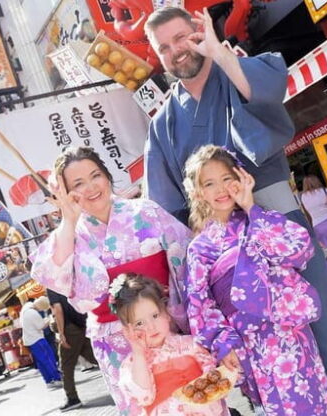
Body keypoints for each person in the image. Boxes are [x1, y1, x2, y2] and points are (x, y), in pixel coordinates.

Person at [143, 7, 327, 415]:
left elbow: (272, 83)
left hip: (278, 229)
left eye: (182, 38)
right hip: (225, 263)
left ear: (199, 32)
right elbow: (166, 209)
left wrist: (222, 54)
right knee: (262, 372)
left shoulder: (234, 70)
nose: (176, 51)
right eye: (164, 47)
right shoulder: (163, 124)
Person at [30, 147, 192, 416]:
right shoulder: (72, 234)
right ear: (65, 193)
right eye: (78, 184)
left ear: (107, 176)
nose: (91, 187)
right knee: (141, 408)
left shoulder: (145, 212)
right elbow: (52, 275)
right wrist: (68, 221)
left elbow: (187, 261)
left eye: (96, 175)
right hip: (115, 343)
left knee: (189, 399)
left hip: (163, 329)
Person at [182, 146, 327, 415]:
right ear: (198, 193)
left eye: (227, 178)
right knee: (276, 406)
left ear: (241, 178)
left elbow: (300, 250)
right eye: (209, 183)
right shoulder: (200, 248)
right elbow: (199, 305)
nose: (221, 189)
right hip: (249, 342)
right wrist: (223, 342)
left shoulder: (259, 219)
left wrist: (251, 207)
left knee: (315, 399)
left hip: (289, 330)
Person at [113, 273, 229, 416]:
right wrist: (138, 353)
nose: (150, 327)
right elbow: (143, 396)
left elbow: (213, 379)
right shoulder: (133, 363)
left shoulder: (191, 344)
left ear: (166, 313)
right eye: (139, 323)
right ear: (128, 330)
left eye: (155, 316)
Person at [47, 289, 99, 412]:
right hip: (83, 323)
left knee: (66, 366)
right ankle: (122, 376)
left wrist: (61, 333)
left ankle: (72, 398)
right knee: (94, 356)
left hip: (69, 329)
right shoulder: (69, 277)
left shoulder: (52, 286)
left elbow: (58, 310)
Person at [20, 297, 63, 388]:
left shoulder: (25, 308)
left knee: (41, 362)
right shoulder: (33, 313)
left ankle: (48, 381)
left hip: (30, 340)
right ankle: (56, 378)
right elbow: (41, 326)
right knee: (48, 359)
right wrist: (48, 320)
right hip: (38, 339)